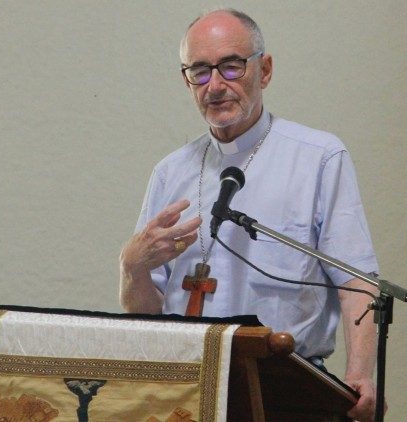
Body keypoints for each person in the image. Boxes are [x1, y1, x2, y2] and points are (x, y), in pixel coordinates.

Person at [120, 8, 385, 421]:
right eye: (200, 71)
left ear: (264, 70)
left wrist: (359, 374)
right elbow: (144, 309)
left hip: (289, 388)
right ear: (186, 80)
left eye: (230, 66)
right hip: (185, 389)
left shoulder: (317, 157)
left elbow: (356, 284)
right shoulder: (170, 172)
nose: (215, 85)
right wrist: (133, 267)